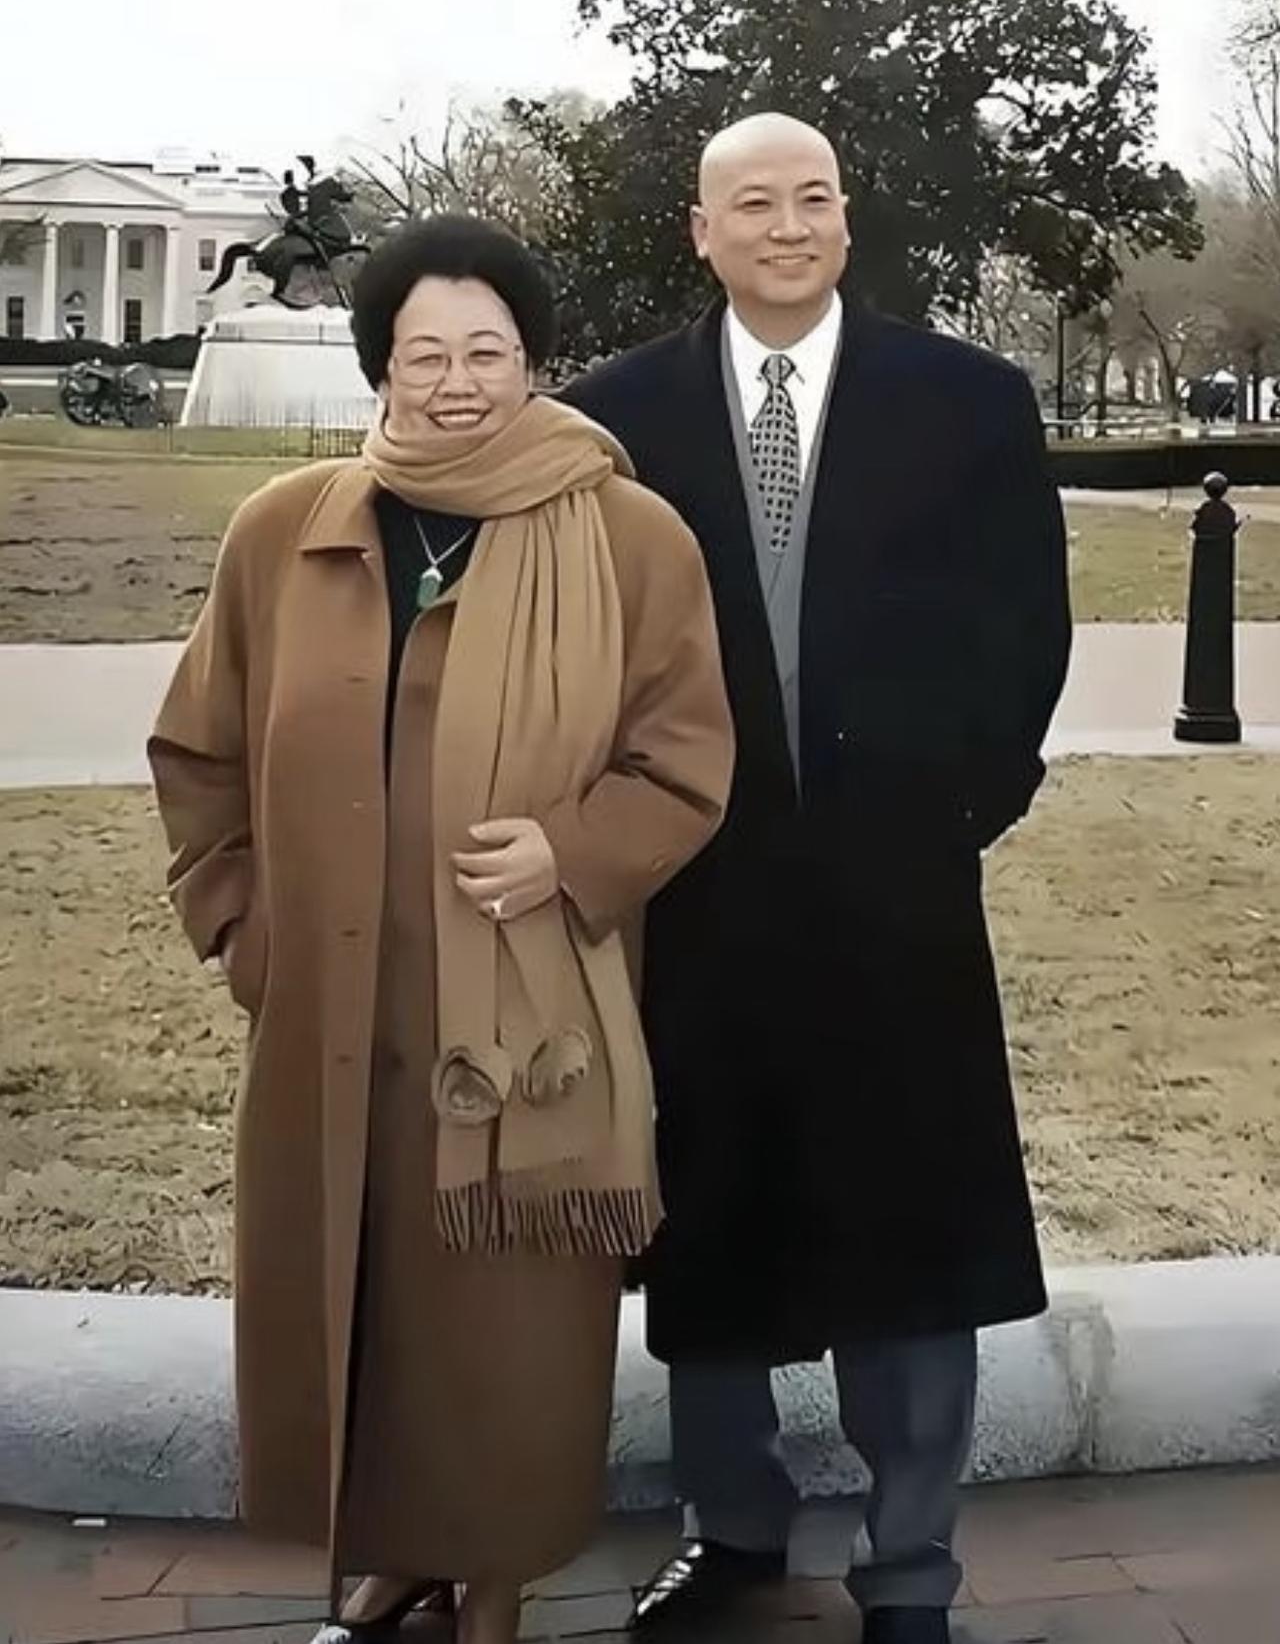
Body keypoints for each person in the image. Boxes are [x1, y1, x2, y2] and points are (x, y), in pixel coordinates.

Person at [148, 215, 734, 1644]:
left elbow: (686, 759)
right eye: (427, 353)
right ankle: (397, 1547)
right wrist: (244, 934)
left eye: (490, 350)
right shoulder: (288, 530)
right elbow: (199, 752)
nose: (459, 381)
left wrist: (571, 851)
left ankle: (498, 1571)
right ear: (381, 365)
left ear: (533, 359)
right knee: (370, 1304)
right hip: (332, 1012)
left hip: (528, 1012)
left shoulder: (627, 532)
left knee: (507, 1324)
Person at [564, 114, 1071, 1644]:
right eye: (752, 204)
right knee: (713, 1216)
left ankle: (911, 1563)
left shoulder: (968, 400)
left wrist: (954, 808)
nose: (787, 226)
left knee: (914, 1221)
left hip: (901, 890)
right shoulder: (617, 417)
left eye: (815, 199)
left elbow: (1024, 628)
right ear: (700, 231)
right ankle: (733, 1531)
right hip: (701, 897)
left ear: (847, 219)